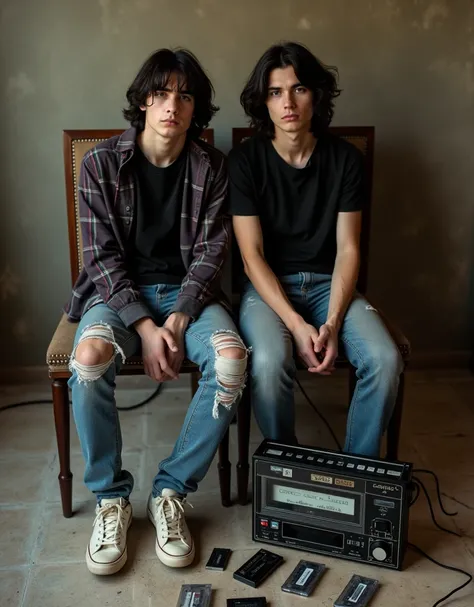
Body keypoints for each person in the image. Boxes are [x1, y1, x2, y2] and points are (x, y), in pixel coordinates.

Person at [65, 48, 248, 575]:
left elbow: (214, 252)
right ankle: (111, 498)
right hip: (119, 296)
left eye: (185, 96)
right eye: (161, 93)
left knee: (232, 362)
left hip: (189, 297)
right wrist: (146, 326)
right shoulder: (99, 164)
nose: (172, 105)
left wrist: (178, 318)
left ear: (196, 110)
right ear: (143, 101)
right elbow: (100, 258)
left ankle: (170, 492)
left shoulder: (213, 167)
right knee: (90, 358)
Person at [229, 41, 402, 459]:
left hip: (331, 285)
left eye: (299, 89)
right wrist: (294, 323)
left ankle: (355, 471)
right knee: (269, 364)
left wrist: (332, 321)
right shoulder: (245, 161)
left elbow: (348, 249)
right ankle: (288, 468)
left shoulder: (345, 160)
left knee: (384, 358)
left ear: (316, 96)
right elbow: (252, 258)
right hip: (268, 291)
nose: (287, 102)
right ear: (263, 102)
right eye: (275, 92)